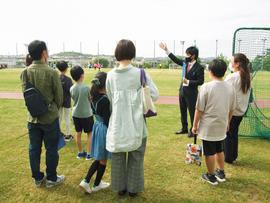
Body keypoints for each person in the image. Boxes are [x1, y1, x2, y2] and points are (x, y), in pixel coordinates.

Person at [106, 39, 159, 197]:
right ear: (133, 54)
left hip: (117, 123)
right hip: (137, 124)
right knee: (136, 157)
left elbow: (110, 97)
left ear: (117, 54)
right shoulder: (140, 73)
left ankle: (120, 188)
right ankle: (133, 189)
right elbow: (154, 95)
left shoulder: (110, 76)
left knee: (118, 156)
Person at [20, 40, 65, 188]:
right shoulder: (52, 72)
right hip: (49, 117)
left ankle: (38, 178)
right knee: (51, 148)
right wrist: (52, 109)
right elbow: (59, 98)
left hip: (32, 118)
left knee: (34, 148)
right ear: (44, 53)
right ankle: (52, 178)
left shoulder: (25, 72)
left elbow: (26, 95)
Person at [192, 59, 236, 185]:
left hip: (208, 126)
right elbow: (232, 109)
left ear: (210, 71)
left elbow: (199, 109)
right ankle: (221, 172)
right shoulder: (230, 87)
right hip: (222, 124)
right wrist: (228, 122)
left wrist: (194, 125)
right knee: (219, 149)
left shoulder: (206, 87)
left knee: (210, 152)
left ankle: (211, 175)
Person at [159, 43, 204, 137]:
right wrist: (166, 50)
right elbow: (175, 59)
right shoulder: (185, 63)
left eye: (188, 54)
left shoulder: (199, 67)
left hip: (192, 93)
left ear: (193, 56)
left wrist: (189, 82)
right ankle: (184, 128)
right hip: (182, 91)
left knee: (192, 112)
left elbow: (200, 81)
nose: (186, 56)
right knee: (182, 110)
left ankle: (193, 130)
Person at [79, 72, 111, 194]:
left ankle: (89, 181)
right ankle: (94, 183)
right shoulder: (105, 99)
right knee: (102, 159)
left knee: (99, 157)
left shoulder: (93, 96)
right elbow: (108, 120)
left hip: (97, 126)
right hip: (103, 128)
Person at [224, 53, 251, 164]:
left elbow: (223, 90)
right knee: (233, 134)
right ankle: (232, 156)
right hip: (241, 110)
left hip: (233, 111)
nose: (230, 64)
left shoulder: (233, 77)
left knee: (229, 134)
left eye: (232, 62)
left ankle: (229, 157)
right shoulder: (246, 76)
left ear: (237, 64)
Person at [70, 66, 94, 160]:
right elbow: (90, 99)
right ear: (81, 75)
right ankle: (88, 153)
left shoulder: (72, 88)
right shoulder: (86, 88)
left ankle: (80, 152)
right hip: (86, 114)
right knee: (90, 133)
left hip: (76, 114)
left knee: (78, 133)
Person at [56, 61, 73, 142]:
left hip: (58, 102)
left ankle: (58, 134)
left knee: (59, 118)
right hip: (66, 102)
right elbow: (71, 91)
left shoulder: (56, 78)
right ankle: (68, 135)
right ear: (66, 68)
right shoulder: (68, 80)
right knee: (67, 118)